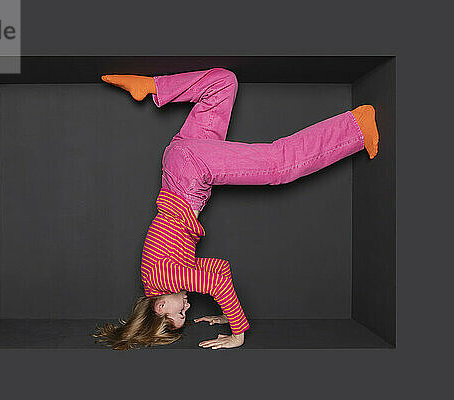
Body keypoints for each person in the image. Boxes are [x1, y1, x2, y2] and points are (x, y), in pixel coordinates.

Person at [92, 68, 379, 350]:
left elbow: (218, 279)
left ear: (161, 306)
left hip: (191, 176)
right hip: (177, 165)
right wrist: (225, 314)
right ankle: (154, 86)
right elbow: (219, 269)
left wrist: (237, 330)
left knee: (278, 165)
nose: (188, 306)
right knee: (222, 83)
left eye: (180, 312)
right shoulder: (154, 278)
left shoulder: (166, 279)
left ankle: (356, 126)